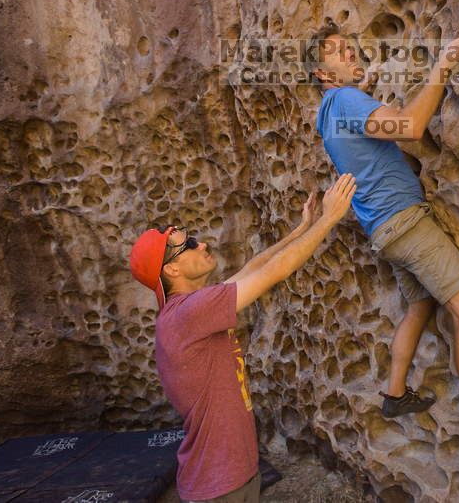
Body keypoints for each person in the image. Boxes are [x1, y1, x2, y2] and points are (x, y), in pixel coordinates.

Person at [306, 26, 459, 467]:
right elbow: (409, 128)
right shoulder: (344, 100)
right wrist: (442, 66)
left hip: (382, 229)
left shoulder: (326, 113)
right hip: (405, 222)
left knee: (420, 306)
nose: (350, 52)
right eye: (338, 52)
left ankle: (395, 393)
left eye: (350, 46)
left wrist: (365, 85)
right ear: (321, 73)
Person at [129, 174, 356, 502]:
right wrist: (329, 219)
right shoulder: (188, 314)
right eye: (188, 245)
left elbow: (254, 267)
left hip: (234, 475)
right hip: (218, 486)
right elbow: (274, 273)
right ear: (171, 271)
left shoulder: (189, 310)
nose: (201, 244)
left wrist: (303, 227)